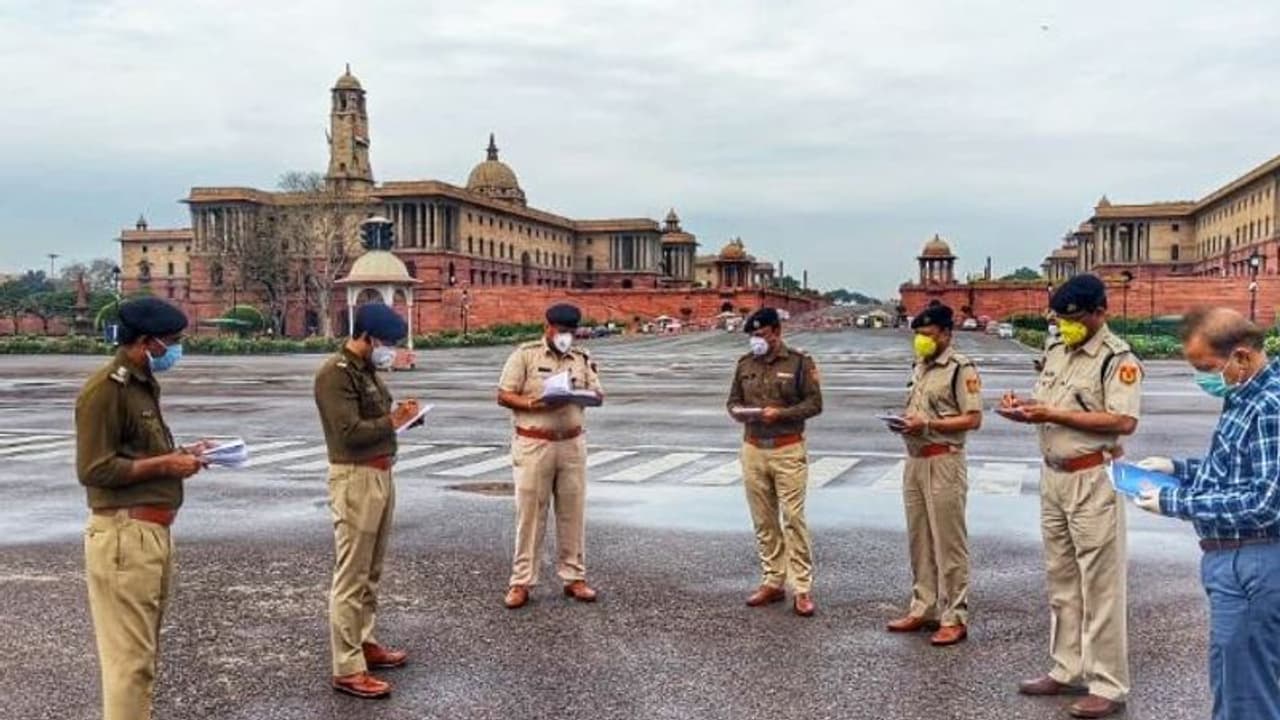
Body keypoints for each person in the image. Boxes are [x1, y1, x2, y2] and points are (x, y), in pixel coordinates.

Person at [1000, 274, 1141, 719]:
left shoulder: (1116, 359)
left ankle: (1108, 684)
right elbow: (1050, 404)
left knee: (1101, 585)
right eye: (1060, 319)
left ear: (1101, 311)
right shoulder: (1058, 349)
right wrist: (1025, 408)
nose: (1066, 327)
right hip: (1054, 477)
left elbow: (1123, 421)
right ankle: (1066, 667)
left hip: (1092, 478)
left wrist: (1052, 412)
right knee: (1061, 578)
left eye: (1074, 319)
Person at [1134, 307, 1280, 720]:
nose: (1203, 378)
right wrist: (1178, 469)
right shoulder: (1244, 394)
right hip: (1233, 558)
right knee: (1232, 684)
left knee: (1247, 696)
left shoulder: (1270, 405)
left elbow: (1263, 501)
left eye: (1206, 367)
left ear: (1242, 357)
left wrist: (1175, 502)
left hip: (1254, 556)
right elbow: (1234, 471)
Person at [75, 297, 206, 720]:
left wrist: (185, 455)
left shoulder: (141, 385)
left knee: (141, 658)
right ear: (146, 342)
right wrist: (167, 464)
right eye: (170, 342)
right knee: (128, 664)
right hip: (123, 537)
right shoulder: (105, 390)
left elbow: (139, 455)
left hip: (148, 535)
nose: (174, 350)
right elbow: (95, 468)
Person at [314, 302, 421, 699]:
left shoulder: (366, 370)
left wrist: (404, 417)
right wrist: (392, 421)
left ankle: (364, 640)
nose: (389, 349)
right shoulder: (334, 375)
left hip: (380, 472)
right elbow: (350, 433)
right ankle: (347, 666)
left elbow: (376, 420)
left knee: (371, 569)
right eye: (386, 342)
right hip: (355, 477)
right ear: (366, 337)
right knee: (351, 574)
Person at [886, 303, 982, 646]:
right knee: (920, 538)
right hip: (915, 458)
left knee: (948, 543)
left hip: (944, 459)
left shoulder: (960, 368)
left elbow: (972, 419)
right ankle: (923, 606)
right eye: (918, 335)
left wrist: (928, 423)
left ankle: (954, 615)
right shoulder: (921, 366)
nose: (922, 341)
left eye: (928, 335)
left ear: (945, 333)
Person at [498, 302, 604, 610]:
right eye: (560, 331)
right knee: (530, 515)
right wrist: (533, 404)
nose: (565, 337)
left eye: (570, 332)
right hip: (534, 444)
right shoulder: (525, 355)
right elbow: (503, 394)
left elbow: (598, 394)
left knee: (573, 512)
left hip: (571, 444)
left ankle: (574, 577)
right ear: (547, 327)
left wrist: (586, 395)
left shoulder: (582, 359)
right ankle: (521, 582)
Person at [727, 307, 824, 617]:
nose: (756, 341)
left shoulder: (798, 363)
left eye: (761, 335)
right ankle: (772, 580)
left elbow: (814, 403)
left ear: (777, 332)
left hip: (787, 448)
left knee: (793, 519)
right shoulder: (745, 365)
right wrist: (738, 412)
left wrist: (780, 414)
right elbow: (732, 400)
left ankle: (802, 587)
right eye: (753, 336)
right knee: (764, 519)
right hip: (753, 447)